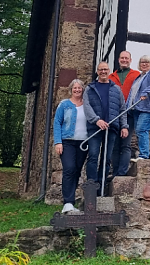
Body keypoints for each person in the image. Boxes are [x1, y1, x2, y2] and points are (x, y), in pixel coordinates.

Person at [82, 62, 127, 190]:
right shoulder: (90, 88)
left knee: (106, 159)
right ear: (97, 72)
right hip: (95, 128)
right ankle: (92, 186)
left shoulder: (116, 89)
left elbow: (122, 109)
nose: (103, 72)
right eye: (101, 70)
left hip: (111, 129)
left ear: (109, 71)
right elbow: (87, 107)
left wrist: (124, 126)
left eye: (105, 69)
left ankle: (102, 186)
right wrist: (97, 120)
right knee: (93, 156)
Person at [52, 79, 89, 214]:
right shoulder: (64, 104)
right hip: (67, 141)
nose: (77, 90)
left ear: (82, 90)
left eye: (79, 88)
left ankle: (72, 201)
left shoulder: (87, 105)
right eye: (75, 88)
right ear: (71, 89)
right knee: (69, 168)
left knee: (77, 170)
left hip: (83, 142)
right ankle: (67, 202)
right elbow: (57, 123)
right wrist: (58, 142)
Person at [108, 51, 140, 176]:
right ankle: (115, 172)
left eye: (126, 58)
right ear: (118, 59)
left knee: (126, 144)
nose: (124, 60)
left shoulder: (136, 75)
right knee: (115, 145)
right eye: (122, 58)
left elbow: (145, 87)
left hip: (129, 113)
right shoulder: (111, 77)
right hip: (114, 114)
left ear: (130, 60)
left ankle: (122, 173)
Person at [126, 55, 150, 160]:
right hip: (138, 108)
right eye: (142, 62)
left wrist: (145, 92)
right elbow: (132, 93)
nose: (144, 64)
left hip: (149, 108)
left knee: (142, 130)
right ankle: (143, 154)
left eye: (147, 62)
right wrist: (128, 107)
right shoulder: (140, 76)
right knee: (139, 131)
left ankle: (144, 155)